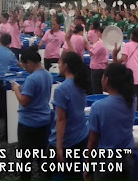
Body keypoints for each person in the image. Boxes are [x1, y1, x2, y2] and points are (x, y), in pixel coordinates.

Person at [85, 63, 136, 181]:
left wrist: (88, 166)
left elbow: (92, 142)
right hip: (126, 158)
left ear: (106, 80)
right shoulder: (132, 100)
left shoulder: (98, 107)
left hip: (106, 161)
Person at [49, 52, 91, 180]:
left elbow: (61, 120)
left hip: (67, 139)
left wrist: (59, 147)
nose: (58, 65)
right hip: (81, 135)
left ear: (66, 66)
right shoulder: (81, 84)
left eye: (60, 63)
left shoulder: (62, 90)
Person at [12, 45, 51, 181]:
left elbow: (24, 101)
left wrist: (17, 89)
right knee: (42, 155)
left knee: (25, 158)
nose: (24, 68)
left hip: (29, 123)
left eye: (24, 65)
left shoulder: (32, 79)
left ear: (29, 63)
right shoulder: (47, 74)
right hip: (45, 121)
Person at [113, 27, 138, 110]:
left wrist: (115, 57)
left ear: (132, 35)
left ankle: (127, 110)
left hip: (128, 72)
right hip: (137, 72)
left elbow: (123, 59)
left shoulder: (127, 45)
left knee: (127, 93)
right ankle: (134, 111)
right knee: (135, 94)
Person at [86, 26, 108, 94]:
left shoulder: (100, 43)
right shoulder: (106, 42)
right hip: (103, 67)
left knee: (96, 88)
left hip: (96, 68)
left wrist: (86, 43)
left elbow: (91, 53)